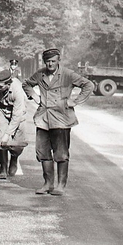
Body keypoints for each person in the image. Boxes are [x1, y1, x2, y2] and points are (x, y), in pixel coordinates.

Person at [22, 47, 94, 195]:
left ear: (58, 61)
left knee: (61, 154)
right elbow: (26, 84)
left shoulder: (67, 74)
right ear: (44, 61)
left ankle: (60, 185)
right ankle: (47, 184)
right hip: (43, 118)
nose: (50, 64)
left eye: (53, 61)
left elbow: (88, 85)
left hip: (61, 118)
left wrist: (75, 101)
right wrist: (34, 96)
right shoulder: (40, 74)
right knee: (43, 152)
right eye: (48, 61)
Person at [0, 63, 29, 180]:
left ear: (8, 84)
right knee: (1, 139)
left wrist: (8, 134)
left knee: (18, 143)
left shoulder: (17, 90)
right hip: (1, 110)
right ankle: (3, 167)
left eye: (1, 86)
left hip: (17, 113)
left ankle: (14, 158)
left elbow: (17, 116)